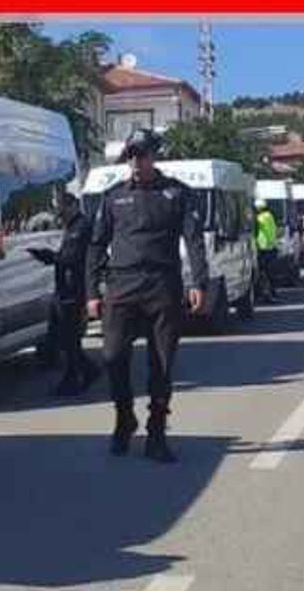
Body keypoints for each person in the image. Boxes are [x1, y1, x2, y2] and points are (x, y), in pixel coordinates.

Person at [86, 129, 207, 464]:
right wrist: (91, 291)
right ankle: (124, 415)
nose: (135, 162)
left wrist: (198, 282)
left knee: (162, 362)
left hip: (162, 285)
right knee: (112, 356)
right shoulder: (113, 197)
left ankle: (157, 430)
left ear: (154, 156)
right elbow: (96, 245)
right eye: (131, 155)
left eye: (141, 155)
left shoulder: (176, 193)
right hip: (122, 285)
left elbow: (194, 240)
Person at [28, 191, 100, 397]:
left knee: (69, 339)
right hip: (63, 289)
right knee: (61, 336)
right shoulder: (71, 226)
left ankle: (73, 378)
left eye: (61, 208)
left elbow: (72, 257)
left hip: (74, 290)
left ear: (72, 205)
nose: (59, 214)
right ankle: (86, 370)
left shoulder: (81, 227)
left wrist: (49, 256)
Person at [254, 198, 281, 302]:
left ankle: (265, 293)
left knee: (262, 272)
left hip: (262, 248)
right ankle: (272, 292)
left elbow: (255, 231)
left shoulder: (260, 218)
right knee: (270, 273)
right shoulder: (270, 216)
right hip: (272, 247)